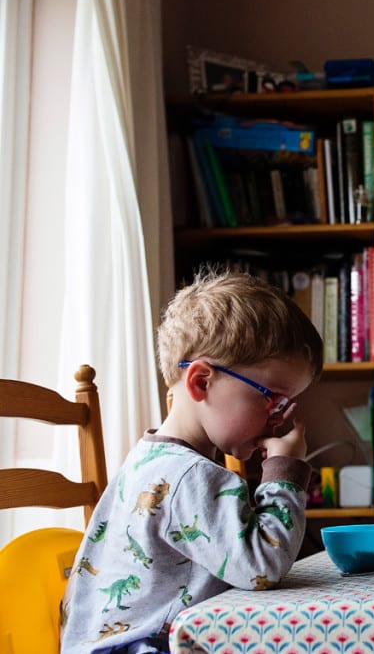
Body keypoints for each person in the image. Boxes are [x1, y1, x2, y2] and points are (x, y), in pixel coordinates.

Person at [60, 269, 324, 654]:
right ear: (201, 382)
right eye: (273, 398)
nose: (280, 419)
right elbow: (262, 567)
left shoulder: (152, 461)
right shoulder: (188, 476)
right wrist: (286, 473)